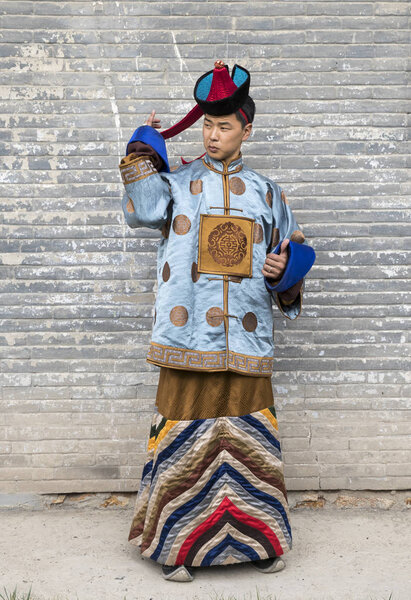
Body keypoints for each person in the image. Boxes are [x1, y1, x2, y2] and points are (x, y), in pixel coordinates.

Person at [119, 61, 316, 582]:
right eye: (207, 124)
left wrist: (282, 273)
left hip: (247, 335)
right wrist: (144, 147)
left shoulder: (268, 193)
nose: (212, 135)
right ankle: (179, 547)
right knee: (184, 433)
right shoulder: (176, 184)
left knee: (252, 438)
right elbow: (140, 210)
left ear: (246, 130)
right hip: (187, 338)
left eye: (224, 126)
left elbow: (290, 261)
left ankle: (260, 542)